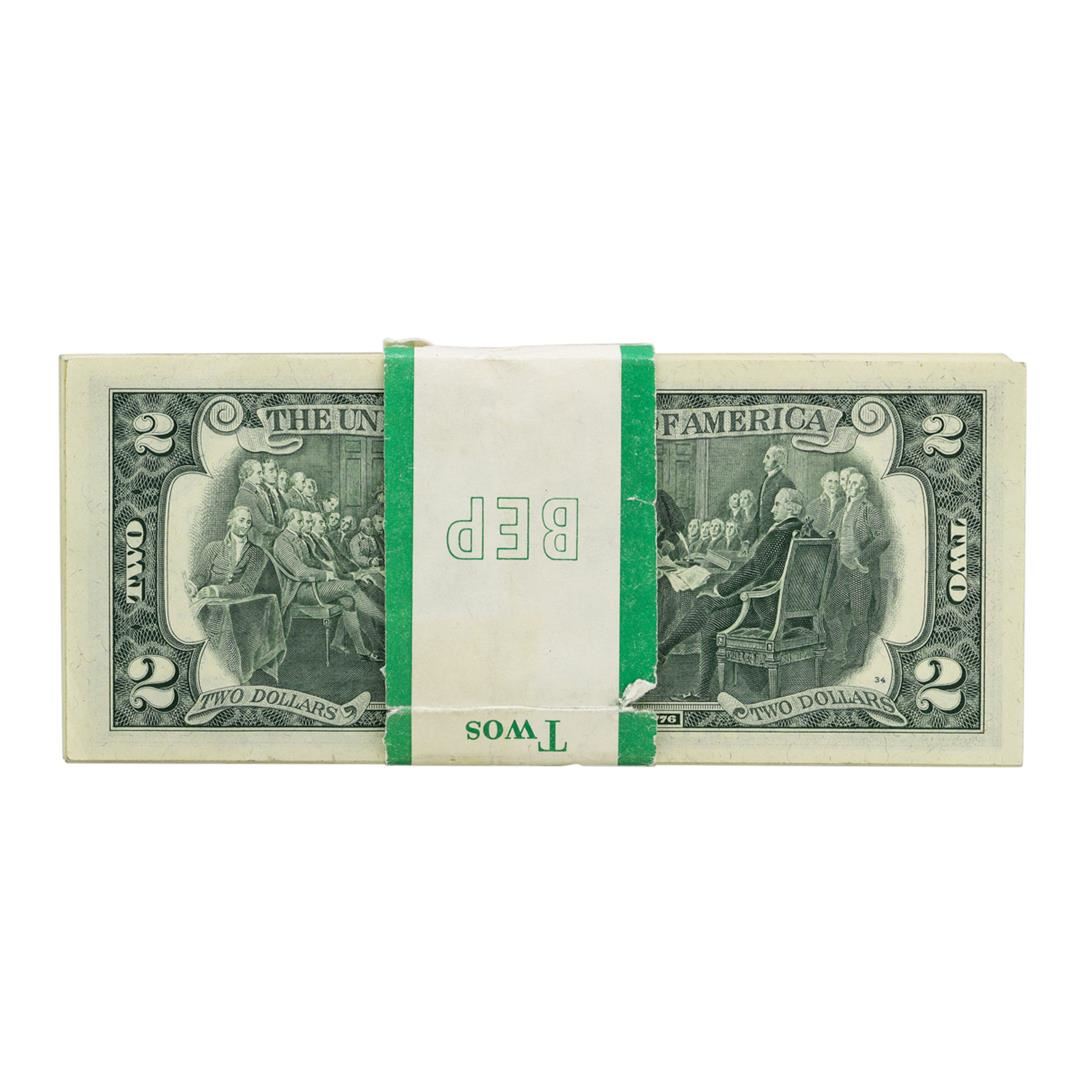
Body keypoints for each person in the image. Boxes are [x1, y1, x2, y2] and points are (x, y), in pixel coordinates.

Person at [658, 488, 808, 700]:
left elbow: (755, 568)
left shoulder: (781, 533)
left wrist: (722, 589)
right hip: (784, 606)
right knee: (705, 603)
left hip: (766, 609)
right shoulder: (809, 534)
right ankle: (665, 650)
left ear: (792, 508)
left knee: (710, 619)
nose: (772, 509)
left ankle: (699, 689)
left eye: (777, 504)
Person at [272, 508, 383, 661]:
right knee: (351, 586)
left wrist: (331, 572)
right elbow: (299, 571)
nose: (303, 524)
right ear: (288, 521)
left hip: (312, 585)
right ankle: (385, 620)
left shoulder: (298, 538)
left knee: (348, 601)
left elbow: (313, 562)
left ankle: (362, 650)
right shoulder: (282, 541)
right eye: (299, 521)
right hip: (299, 591)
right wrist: (325, 575)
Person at [825, 472, 891, 672]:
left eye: (854, 483)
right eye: (849, 482)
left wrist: (861, 559)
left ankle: (856, 658)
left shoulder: (868, 509)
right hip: (844, 569)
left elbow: (883, 538)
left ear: (863, 488)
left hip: (861, 571)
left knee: (859, 617)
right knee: (829, 610)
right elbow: (831, 532)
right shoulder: (845, 507)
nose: (849, 486)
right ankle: (839, 652)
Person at [187, 506, 267, 599]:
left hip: (239, 604)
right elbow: (201, 576)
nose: (245, 526)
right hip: (210, 601)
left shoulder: (256, 553)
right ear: (231, 521)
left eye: (248, 522)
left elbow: (246, 588)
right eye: (241, 520)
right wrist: (192, 586)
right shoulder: (213, 547)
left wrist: (215, 591)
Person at [750, 445, 797, 545]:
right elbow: (760, 513)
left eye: (768, 457)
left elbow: (789, 516)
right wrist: (748, 540)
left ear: (777, 461)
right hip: (762, 536)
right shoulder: (766, 480)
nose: (764, 461)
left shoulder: (785, 482)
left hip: (776, 537)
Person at [232, 459, 280, 550]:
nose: (262, 476)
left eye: (261, 472)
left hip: (264, 543)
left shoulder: (256, 491)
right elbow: (262, 527)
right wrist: (282, 532)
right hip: (256, 545)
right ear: (248, 474)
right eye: (258, 473)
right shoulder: (246, 495)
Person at [808, 470, 845, 537]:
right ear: (823, 483)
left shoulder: (843, 503)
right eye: (830, 481)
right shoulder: (813, 505)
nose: (833, 484)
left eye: (836, 482)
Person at [261, 458, 288, 527]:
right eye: (271, 471)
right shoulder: (261, 493)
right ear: (262, 474)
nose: (275, 475)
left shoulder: (277, 492)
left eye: (276, 471)